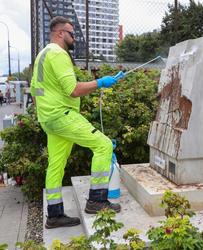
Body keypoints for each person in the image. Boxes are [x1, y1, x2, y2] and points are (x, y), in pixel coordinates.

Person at [30, 16, 124, 229]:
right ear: (60, 33)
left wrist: (45, 114)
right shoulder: (58, 54)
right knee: (104, 145)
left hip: (48, 118)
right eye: (71, 34)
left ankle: (54, 215)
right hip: (62, 115)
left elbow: (35, 92)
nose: (74, 38)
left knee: (55, 165)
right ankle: (97, 201)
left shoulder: (42, 56)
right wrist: (101, 82)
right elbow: (73, 89)